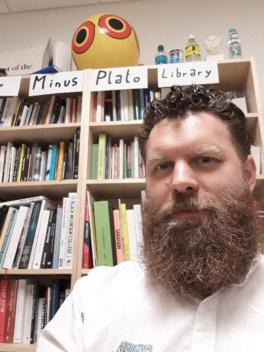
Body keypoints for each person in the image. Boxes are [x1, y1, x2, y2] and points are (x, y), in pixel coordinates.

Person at [37, 85, 264, 352]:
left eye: (204, 159)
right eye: (163, 166)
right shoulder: (91, 301)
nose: (180, 182)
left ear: (248, 175)